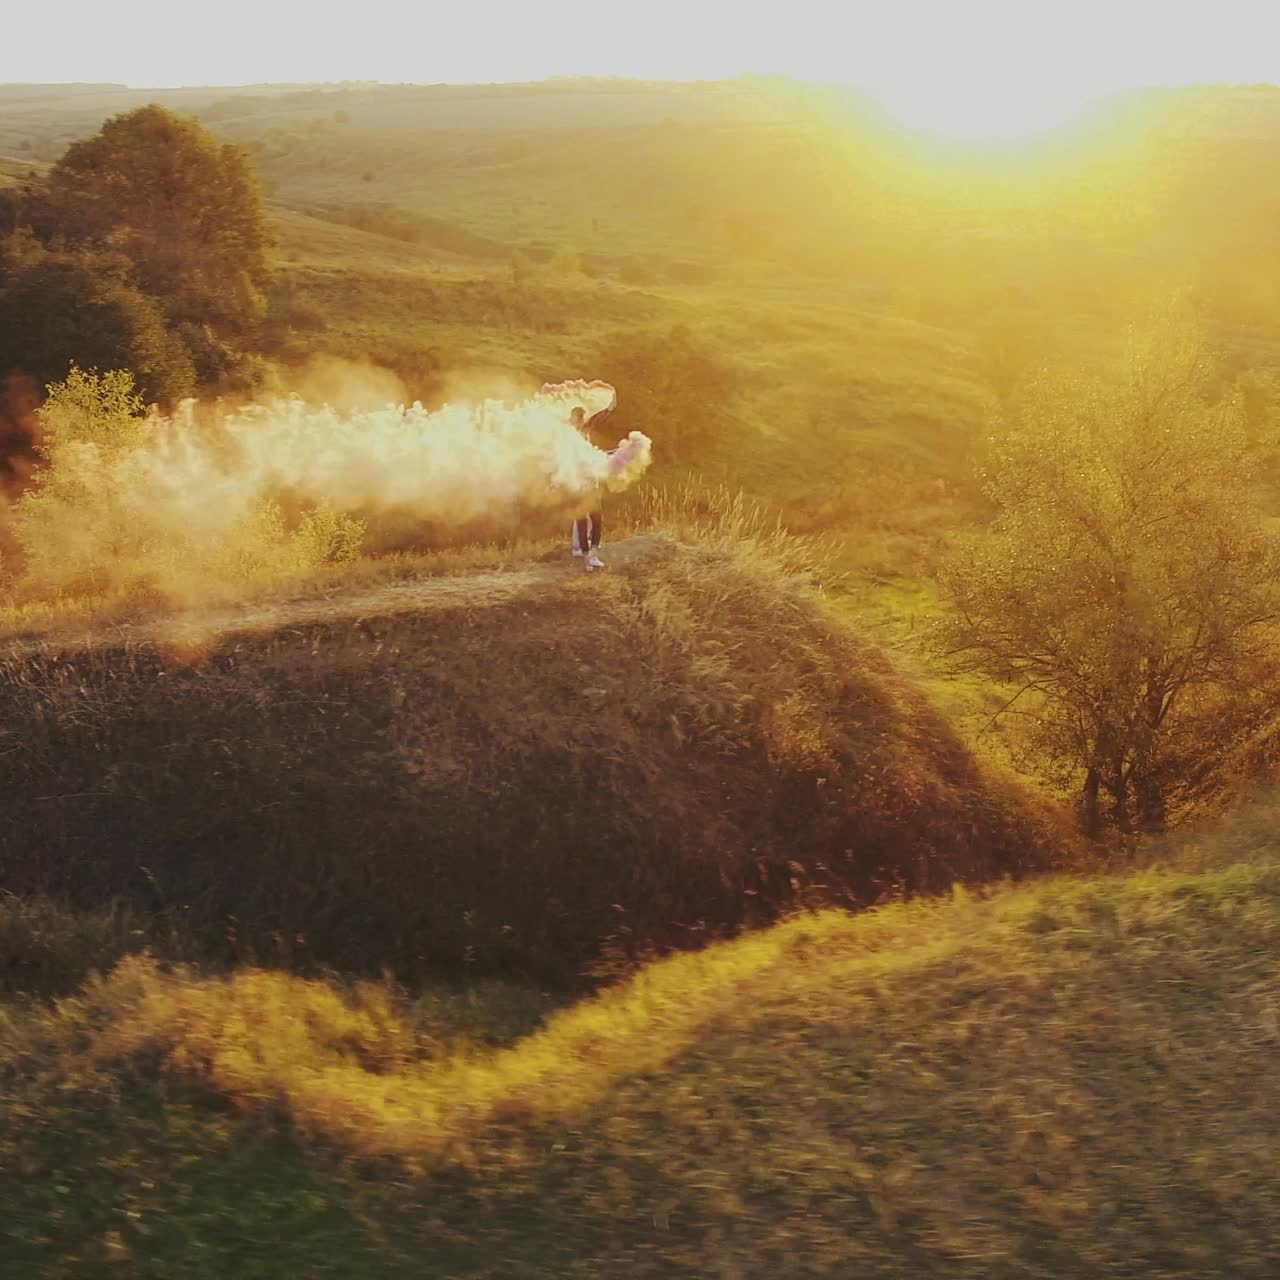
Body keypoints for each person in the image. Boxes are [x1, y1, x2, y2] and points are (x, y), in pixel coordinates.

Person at [569, 405, 605, 571]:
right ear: (579, 419)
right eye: (581, 418)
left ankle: (585, 555)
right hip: (585, 484)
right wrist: (607, 409)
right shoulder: (578, 436)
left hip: (577, 484)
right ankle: (591, 556)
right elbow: (594, 421)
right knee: (595, 520)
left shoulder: (568, 435)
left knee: (582, 520)